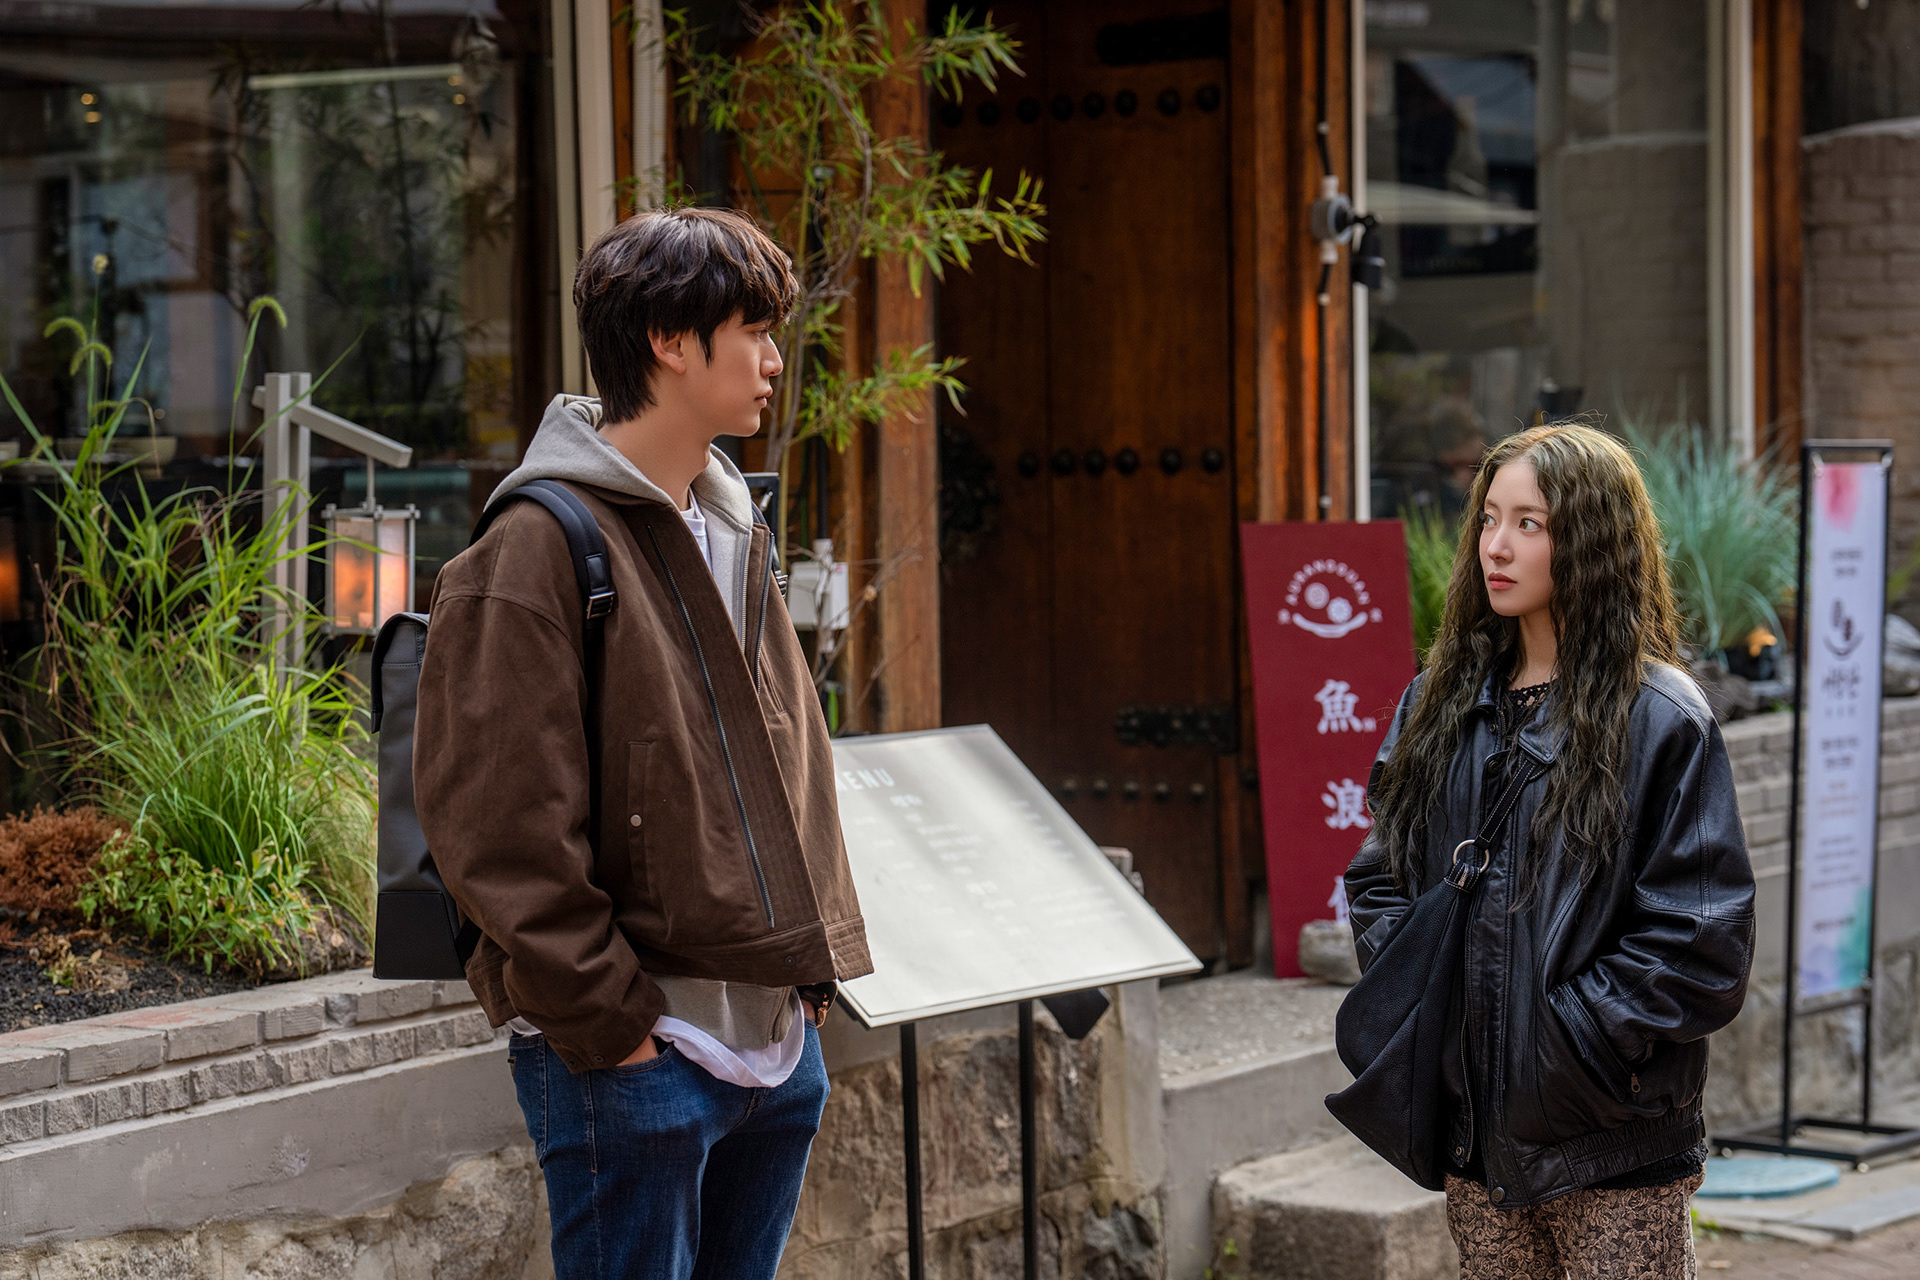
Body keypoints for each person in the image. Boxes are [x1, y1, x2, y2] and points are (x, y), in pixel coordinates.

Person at [413, 207, 872, 1280]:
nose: (774, 361)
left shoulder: (735, 524)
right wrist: (615, 1028)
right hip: (636, 1055)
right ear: (669, 340)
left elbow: (785, 759)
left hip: (770, 1041)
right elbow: (498, 828)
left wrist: (807, 975)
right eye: (753, 331)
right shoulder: (535, 547)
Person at [1344, 423, 1755, 1279]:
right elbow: (1381, 876)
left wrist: (1565, 1043)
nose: (1496, 546)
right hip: (1473, 1134)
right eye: (1490, 519)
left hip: (1608, 1136)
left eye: (1530, 523)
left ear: (1592, 541)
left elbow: (1701, 942)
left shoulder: (1660, 718)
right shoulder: (1439, 703)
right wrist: (1433, 1012)